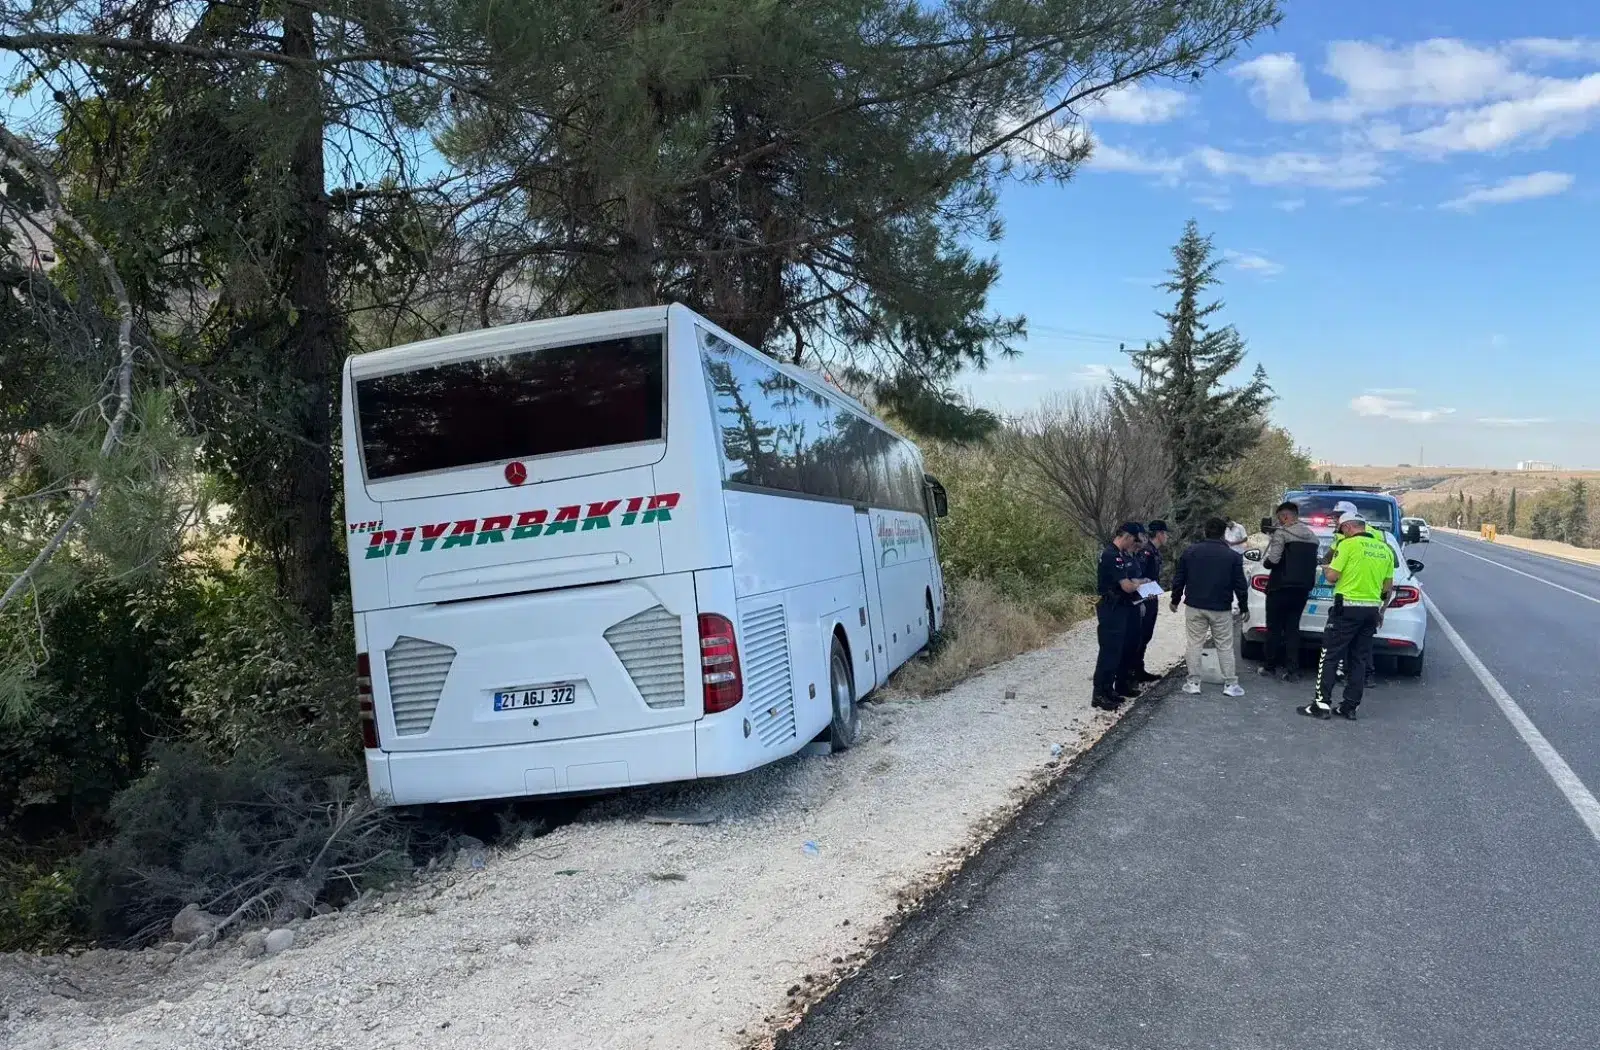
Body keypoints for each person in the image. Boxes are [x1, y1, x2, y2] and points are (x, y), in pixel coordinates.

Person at [1299, 513, 1395, 721]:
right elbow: (1387, 587)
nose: (1341, 533)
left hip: (1347, 609)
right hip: (1371, 611)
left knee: (1330, 655)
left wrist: (1326, 568)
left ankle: (1321, 704)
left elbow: (1332, 577)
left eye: (1342, 529)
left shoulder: (1347, 545)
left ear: (1349, 527)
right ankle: (1349, 706)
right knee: (1359, 659)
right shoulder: (1385, 549)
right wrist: (1381, 612)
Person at [1170, 517, 1250, 697]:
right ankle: (1230, 684)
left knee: (1194, 643)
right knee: (1224, 645)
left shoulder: (1190, 552)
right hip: (1221, 607)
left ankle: (1193, 683)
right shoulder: (1232, 556)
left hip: (1195, 605)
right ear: (1223, 534)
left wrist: (1175, 600)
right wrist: (1244, 606)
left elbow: (1179, 578)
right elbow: (1240, 584)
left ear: (1205, 531)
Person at [1258, 501, 1319, 681]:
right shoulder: (1313, 537)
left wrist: (1266, 563)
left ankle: (1269, 666)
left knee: (1274, 628)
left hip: (1280, 587)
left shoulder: (1282, 534)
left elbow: (1274, 559)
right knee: (1293, 629)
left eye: (1279, 518)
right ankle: (1292, 670)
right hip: (1302, 589)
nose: (1278, 522)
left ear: (1285, 516)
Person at [1092, 522, 1150, 710]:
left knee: (1119, 650)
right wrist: (1138, 584)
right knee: (1109, 651)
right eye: (1133, 540)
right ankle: (1099, 694)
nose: (1134, 544)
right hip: (1112, 607)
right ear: (1127, 537)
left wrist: (1136, 583)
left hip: (1121, 607)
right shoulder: (1111, 555)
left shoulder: (1119, 554)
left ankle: (1109, 689)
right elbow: (1127, 586)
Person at [1132, 520, 1170, 683]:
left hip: (1151, 597)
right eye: (1165, 533)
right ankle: (1133, 672)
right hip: (1144, 599)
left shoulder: (1153, 551)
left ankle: (1138, 670)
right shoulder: (1146, 552)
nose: (1167, 537)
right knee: (1141, 635)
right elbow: (1137, 576)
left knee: (1146, 635)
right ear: (1160, 534)